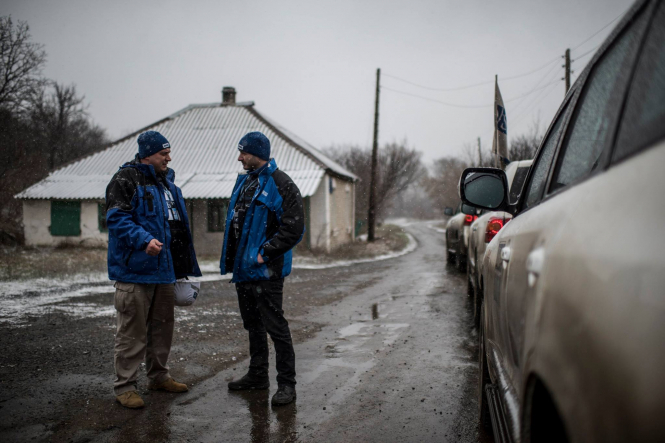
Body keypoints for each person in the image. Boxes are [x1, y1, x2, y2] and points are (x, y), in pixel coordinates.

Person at [105, 130, 201, 409]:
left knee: (162, 329)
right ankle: (125, 386)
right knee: (132, 332)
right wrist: (144, 240)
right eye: (163, 153)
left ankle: (159, 376)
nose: (168, 158)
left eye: (169, 153)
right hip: (135, 272)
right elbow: (116, 220)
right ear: (147, 153)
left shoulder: (169, 186)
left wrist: (182, 265)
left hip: (165, 272)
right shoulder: (125, 180)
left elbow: (177, 227)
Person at [221, 131, 305, 406]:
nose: (239, 157)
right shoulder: (245, 182)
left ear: (256, 153)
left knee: (276, 327)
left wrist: (264, 253)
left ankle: (287, 385)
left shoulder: (282, 184)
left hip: (266, 271)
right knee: (253, 325)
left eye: (243, 152)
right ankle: (257, 376)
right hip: (244, 270)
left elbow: (293, 229)